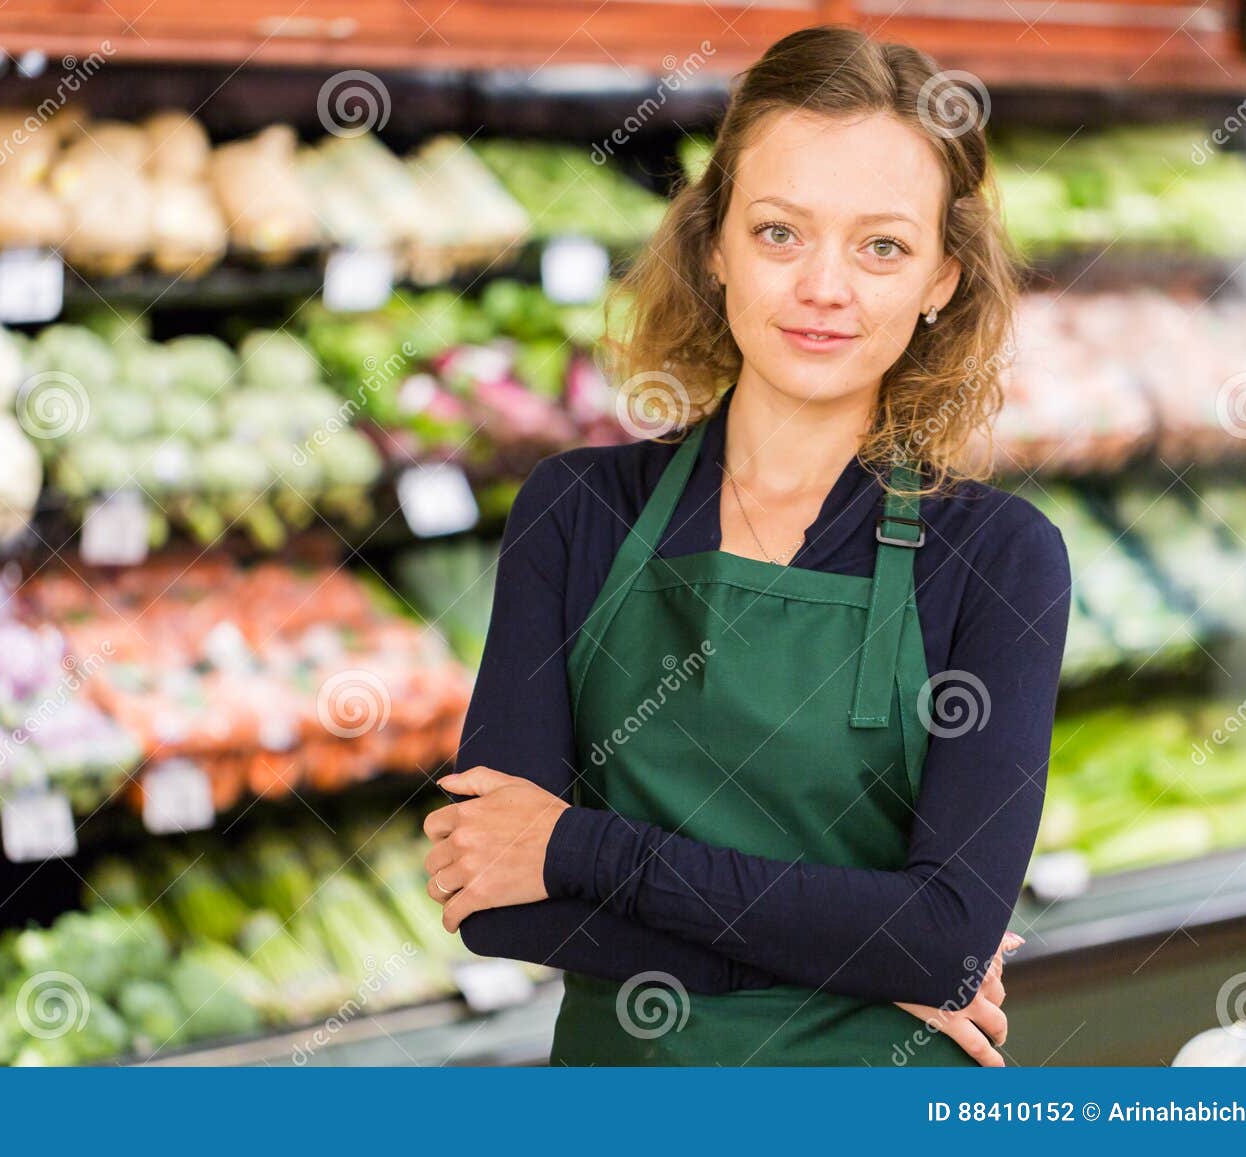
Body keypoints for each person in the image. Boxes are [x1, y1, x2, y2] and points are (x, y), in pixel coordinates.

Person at [420, 24, 1071, 1066]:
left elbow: (943, 938)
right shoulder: (577, 508)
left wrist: (577, 845)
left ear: (942, 279)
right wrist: (865, 954)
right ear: (713, 245)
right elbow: (493, 902)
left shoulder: (997, 557)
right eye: (779, 232)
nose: (824, 286)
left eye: (881, 246)